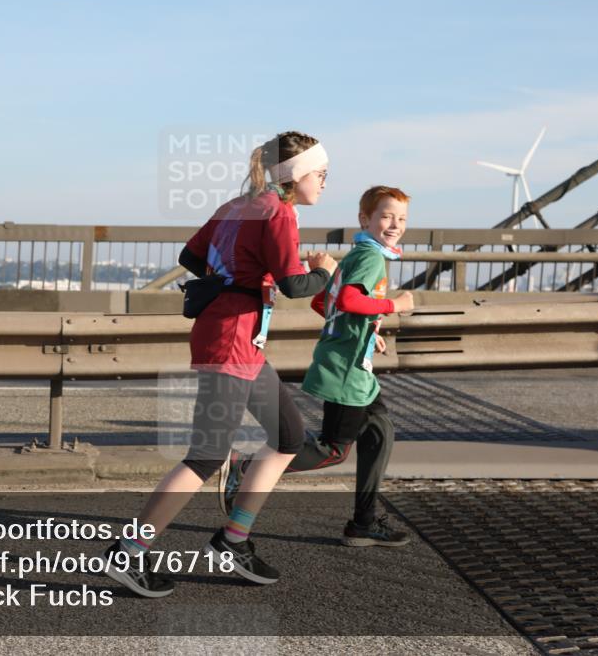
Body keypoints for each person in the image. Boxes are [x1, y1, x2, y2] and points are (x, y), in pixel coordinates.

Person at [103, 131, 338, 598]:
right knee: (207, 454)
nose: (326, 183)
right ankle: (128, 551)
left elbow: (190, 255)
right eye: (322, 174)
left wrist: (232, 276)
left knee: (289, 438)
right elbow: (295, 285)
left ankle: (233, 540)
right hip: (232, 340)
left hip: (241, 340)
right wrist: (325, 272)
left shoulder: (237, 205)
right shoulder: (278, 211)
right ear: (296, 175)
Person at [220, 185, 416, 547]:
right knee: (333, 449)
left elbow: (325, 304)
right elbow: (348, 298)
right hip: (346, 371)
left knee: (380, 431)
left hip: (352, 363)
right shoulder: (371, 258)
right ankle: (247, 468)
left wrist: (367, 331)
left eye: (401, 218)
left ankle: (364, 522)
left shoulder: (362, 253)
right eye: (386, 216)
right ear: (365, 219)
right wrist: (394, 307)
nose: (394, 224)